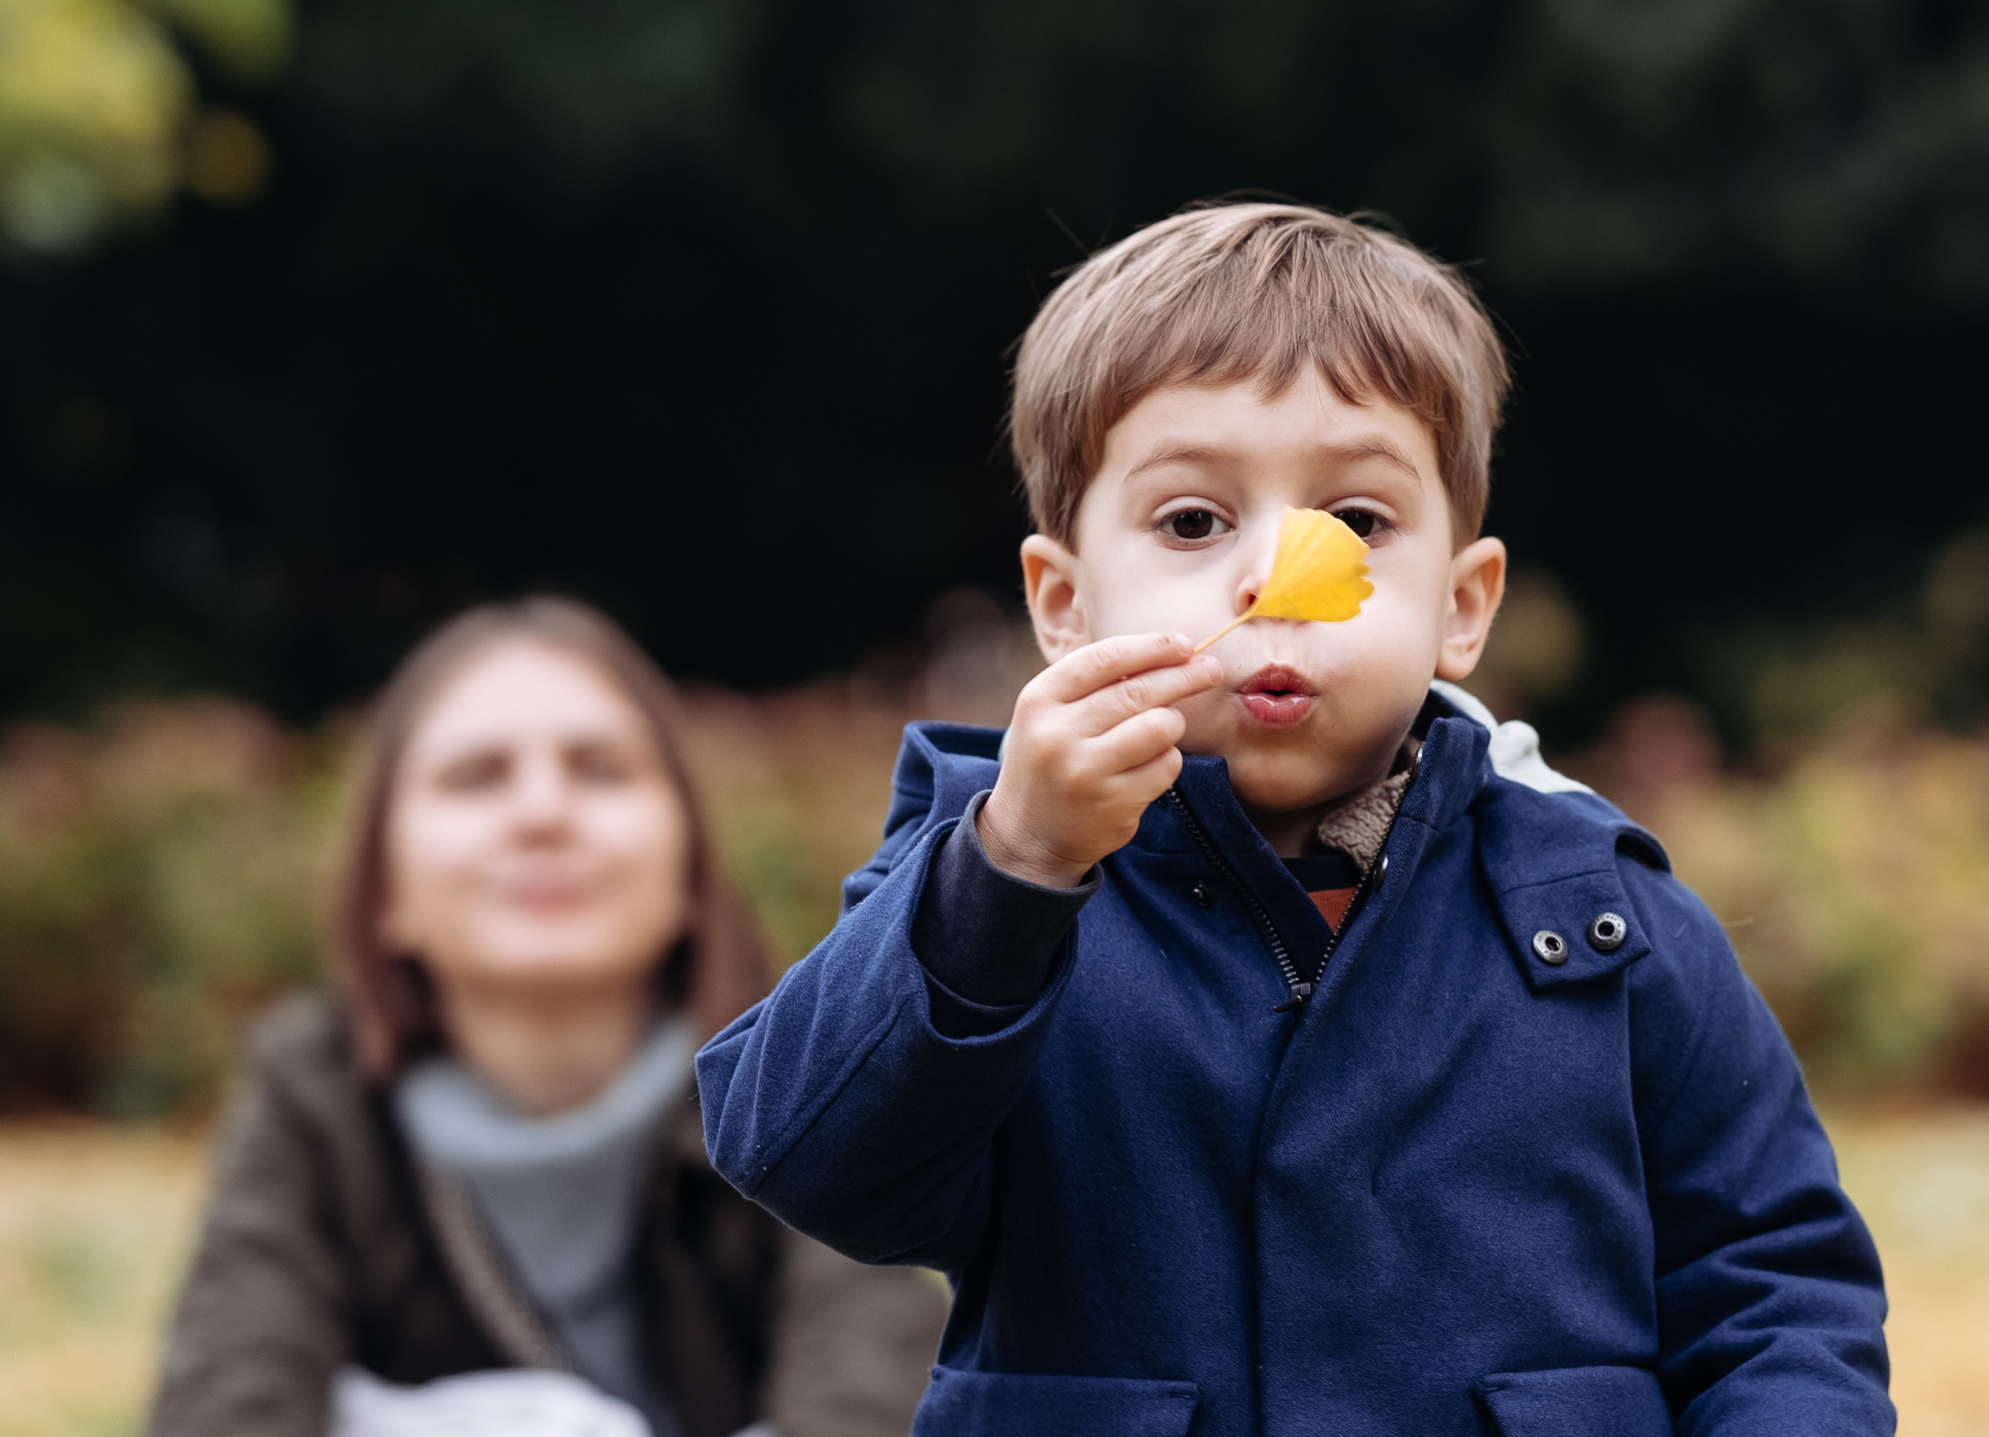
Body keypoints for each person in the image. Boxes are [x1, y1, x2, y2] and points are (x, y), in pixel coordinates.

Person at [695, 204, 1893, 1435]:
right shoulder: (990, 889)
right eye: (1191, 522)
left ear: (1462, 607)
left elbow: (1773, 1287)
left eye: (1356, 524)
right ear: (1061, 604)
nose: (1271, 580)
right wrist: (1012, 872)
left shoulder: (1593, 914)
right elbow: (808, 1163)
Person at [150, 599, 947, 1437]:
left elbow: (879, 1405)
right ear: (386, 892)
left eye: (600, 769)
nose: (541, 813)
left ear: (688, 872)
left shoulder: (808, 1078)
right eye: (476, 777)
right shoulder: (313, 1095)